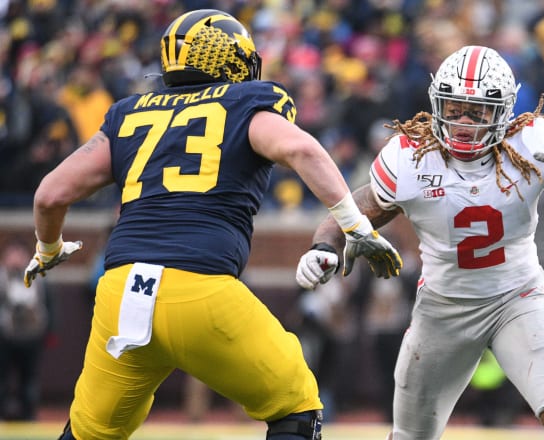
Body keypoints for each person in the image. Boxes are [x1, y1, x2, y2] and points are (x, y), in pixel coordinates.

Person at [22, 9, 402, 440]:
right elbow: (304, 151)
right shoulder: (246, 103)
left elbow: (49, 194)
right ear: (229, 58)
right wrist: (356, 226)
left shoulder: (130, 113)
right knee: (296, 404)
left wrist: (48, 249)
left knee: (91, 432)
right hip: (198, 285)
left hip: (121, 292)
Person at [295, 45, 544, 440]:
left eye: (477, 111)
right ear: (436, 103)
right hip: (443, 307)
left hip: (517, 297)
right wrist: (324, 244)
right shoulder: (412, 156)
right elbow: (357, 206)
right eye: (455, 107)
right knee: (410, 436)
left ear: (503, 112)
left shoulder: (529, 143)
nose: (463, 121)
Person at [0, 238, 53, 421]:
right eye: (11, 254)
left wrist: (50, 332)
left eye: (19, 254)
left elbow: (49, 305)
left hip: (32, 336)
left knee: (29, 379)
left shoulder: (38, 277)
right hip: (6, 336)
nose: (15, 259)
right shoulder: (2, 278)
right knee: (3, 378)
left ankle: (29, 414)